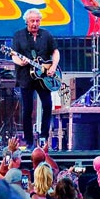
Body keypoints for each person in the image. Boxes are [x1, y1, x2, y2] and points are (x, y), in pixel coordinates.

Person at [11, 8, 60, 147]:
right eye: (32, 21)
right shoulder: (19, 35)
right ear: (26, 21)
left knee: (47, 105)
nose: (35, 23)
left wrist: (53, 66)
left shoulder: (46, 35)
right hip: (26, 77)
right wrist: (20, 62)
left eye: (37, 21)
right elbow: (13, 54)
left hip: (44, 77)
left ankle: (44, 137)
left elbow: (55, 51)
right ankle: (29, 141)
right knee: (27, 110)